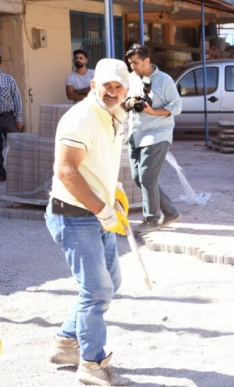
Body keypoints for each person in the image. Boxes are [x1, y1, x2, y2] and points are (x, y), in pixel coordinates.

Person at [45, 58, 132, 386]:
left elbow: (96, 162)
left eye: (118, 87)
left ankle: (68, 342)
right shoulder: (81, 118)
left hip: (95, 210)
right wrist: (103, 209)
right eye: (106, 85)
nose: (112, 92)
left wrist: (113, 190)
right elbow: (66, 170)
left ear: (125, 91)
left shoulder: (113, 116)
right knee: (97, 290)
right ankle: (92, 364)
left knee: (109, 281)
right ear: (93, 85)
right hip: (74, 214)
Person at [123, 44, 182, 233]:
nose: (133, 67)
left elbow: (177, 106)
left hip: (158, 133)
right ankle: (170, 212)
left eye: (136, 63)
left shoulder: (164, 80)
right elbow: (122, 102)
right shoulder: (131, 78)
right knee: (139, 178)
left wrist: (153, 111)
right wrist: (129, 101)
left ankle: (151, 219)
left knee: (147, 177)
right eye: (131, 63)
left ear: (147, 60)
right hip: (135, 133)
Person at [0, 56, 24, 182]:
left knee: (15, 144)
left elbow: (17, 99)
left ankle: (17, 171)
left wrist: (19, 118)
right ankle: (1, 174)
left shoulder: (8, 79)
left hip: (7, 117)